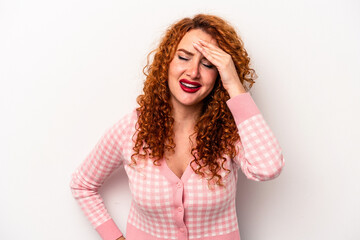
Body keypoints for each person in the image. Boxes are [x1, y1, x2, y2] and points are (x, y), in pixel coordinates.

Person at [70, 13, 285, 240]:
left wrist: (233, 83)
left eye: (208, 64)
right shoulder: (131, 130)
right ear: (166, 63)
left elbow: (268, 168)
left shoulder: (230, 132)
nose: (193, 72)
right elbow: (82, 185)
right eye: (184, 57)